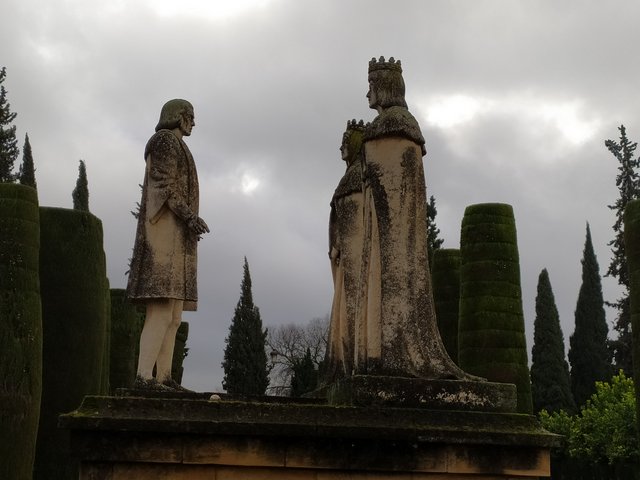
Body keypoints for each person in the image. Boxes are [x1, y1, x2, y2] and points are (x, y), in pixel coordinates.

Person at [358, 57, 476, 380]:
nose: (367, 94)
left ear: (385, 86)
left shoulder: (399, 126)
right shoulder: (390, 127)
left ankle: (394, 354)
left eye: (371, 86)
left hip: (395, 238)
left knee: (394, 291)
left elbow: (393, 185)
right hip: (383, 232)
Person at [126, 99, 210, 390]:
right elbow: (164, 187)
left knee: (174, 314)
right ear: (177, 116)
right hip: (162, 237)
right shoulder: (164, 141)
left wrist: (188, 221)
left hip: (177, 237)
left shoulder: (178, 145)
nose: (193, 122)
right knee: (161, 308)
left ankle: (163, 377)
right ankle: (143, 377)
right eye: (190, 116)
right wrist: (189, 217)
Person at [325, 119, 366, 381]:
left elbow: (353, 218)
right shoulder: (350, 175)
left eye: (346, 140)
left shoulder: (358, 175)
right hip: (343, 256)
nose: (341, 146)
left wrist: (340, 244)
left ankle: (350, 362)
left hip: (353, 256)